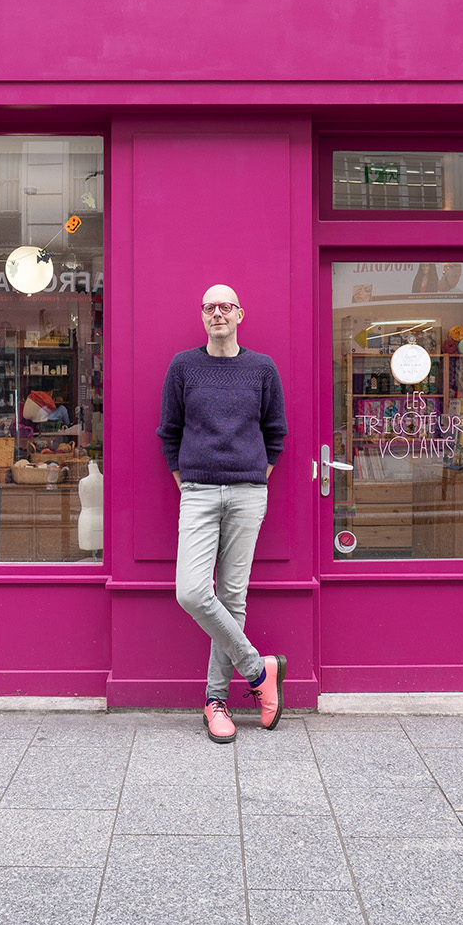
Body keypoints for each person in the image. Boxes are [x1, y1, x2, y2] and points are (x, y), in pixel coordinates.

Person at [159, 283, 288, 743]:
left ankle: (216, 701)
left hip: (249, 492)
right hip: (196, 491)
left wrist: (256, 477)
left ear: (240, 314)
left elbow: (276, 432)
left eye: (226, 306)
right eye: (210, 307)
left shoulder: (261, 368)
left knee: (233, 597)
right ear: (202, 316)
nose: (218, 313)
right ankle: (259, 669)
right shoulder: (184, 367)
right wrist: (188, 483)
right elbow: (168, 432)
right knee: (192, 592)